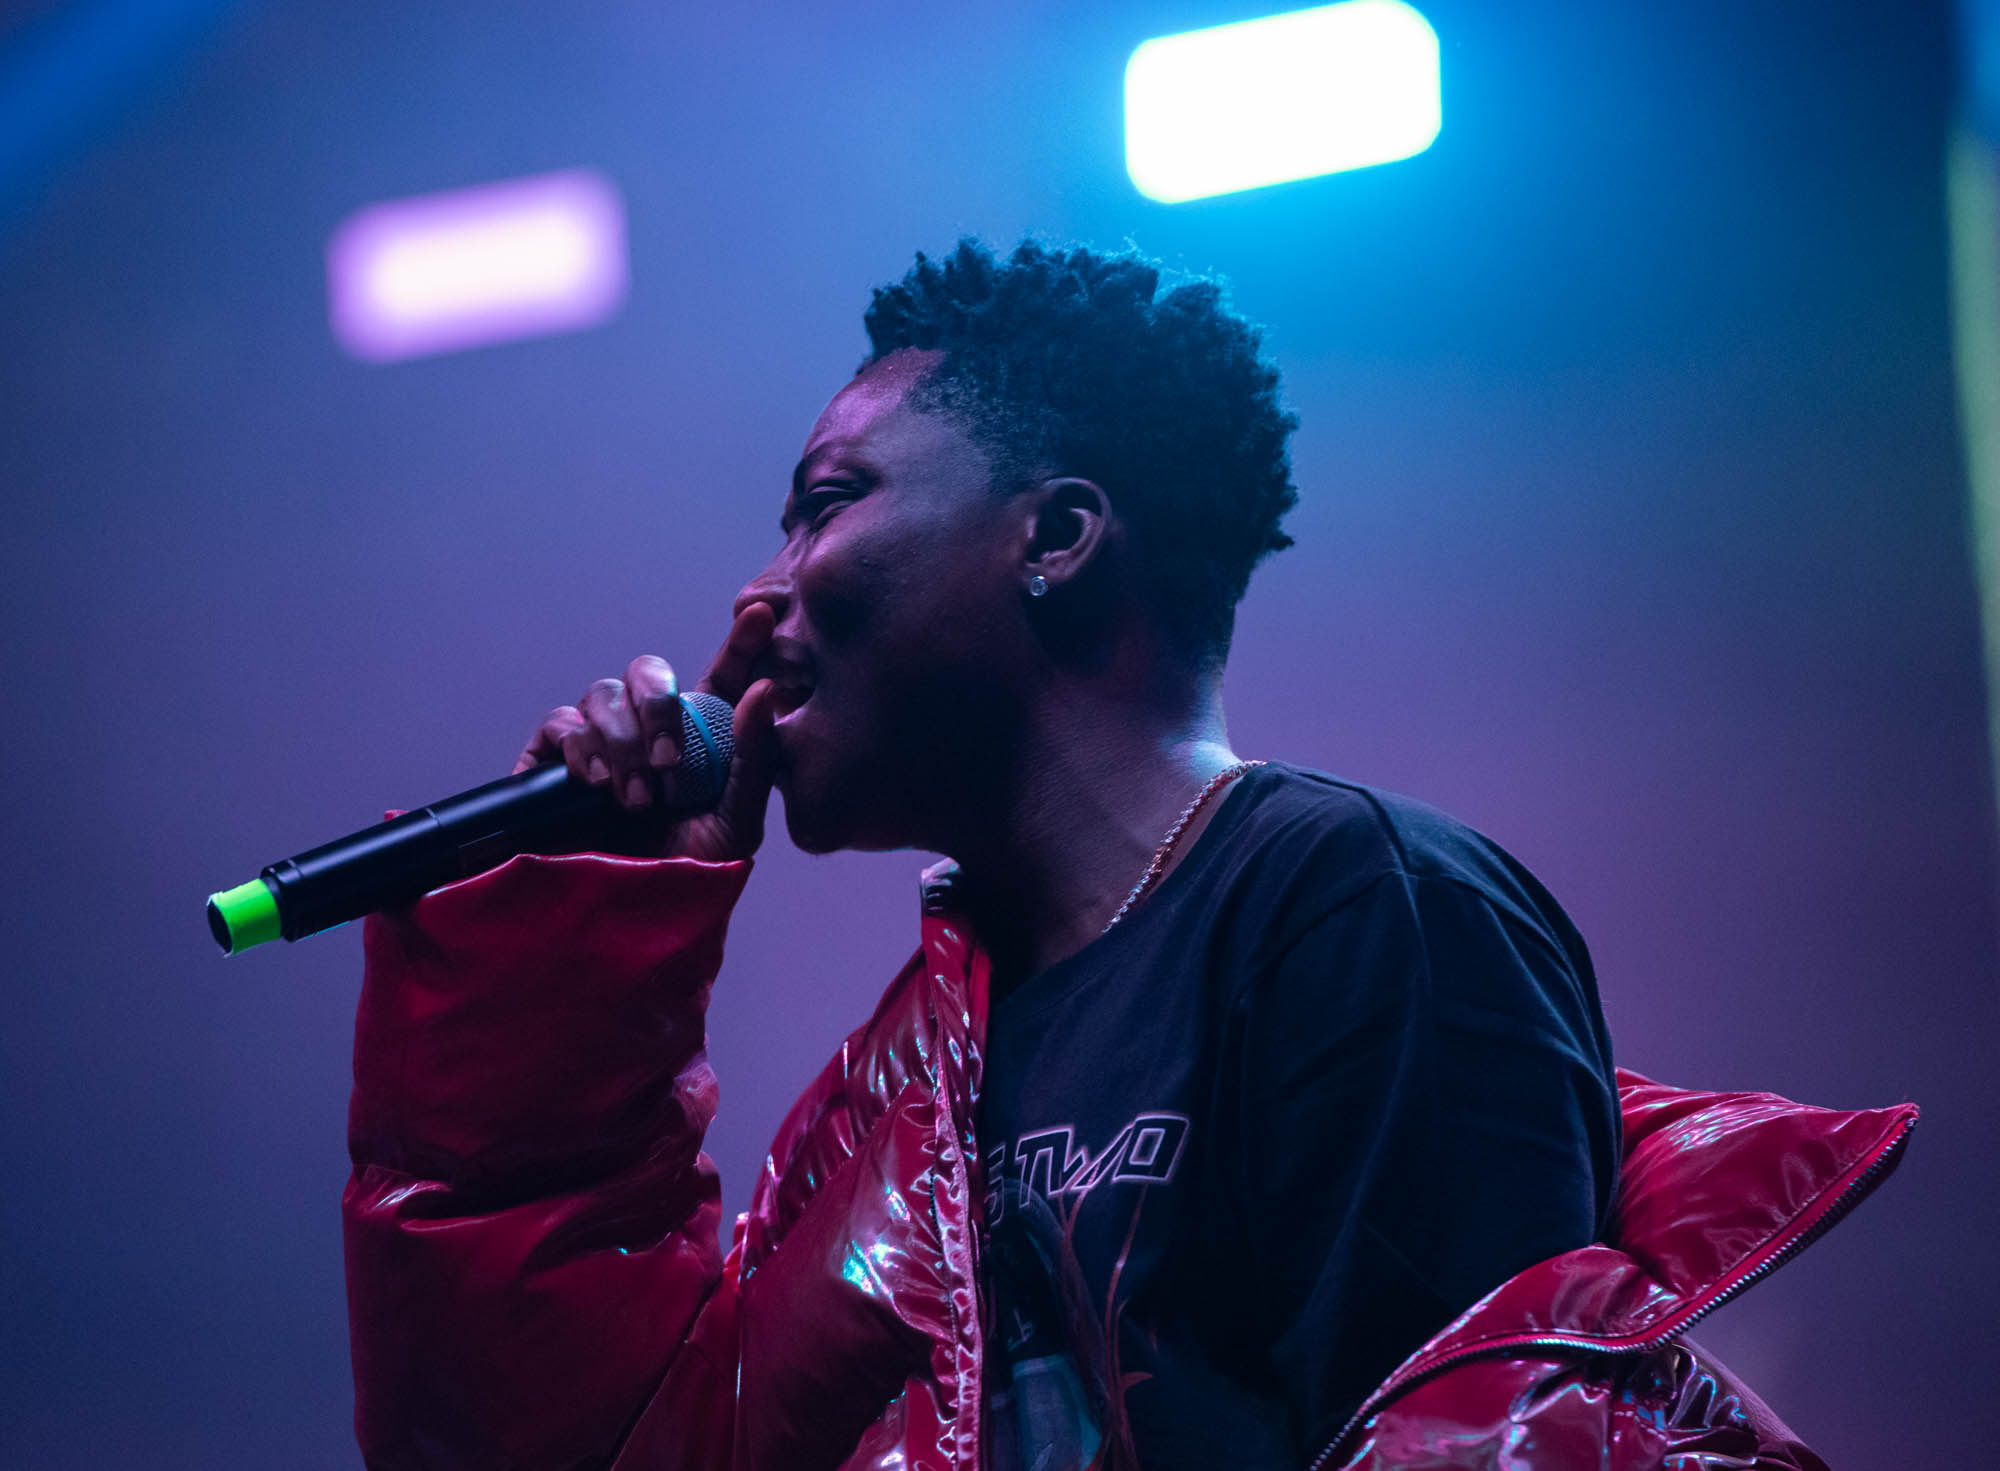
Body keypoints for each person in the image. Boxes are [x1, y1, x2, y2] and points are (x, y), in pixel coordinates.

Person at [344, 240, 1882, 1471]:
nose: (760, 595)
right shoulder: (899, 1084)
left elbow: (1489, 1440)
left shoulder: (1353, 905)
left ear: (1057, 537)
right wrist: (573, 971)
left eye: (827, 505)